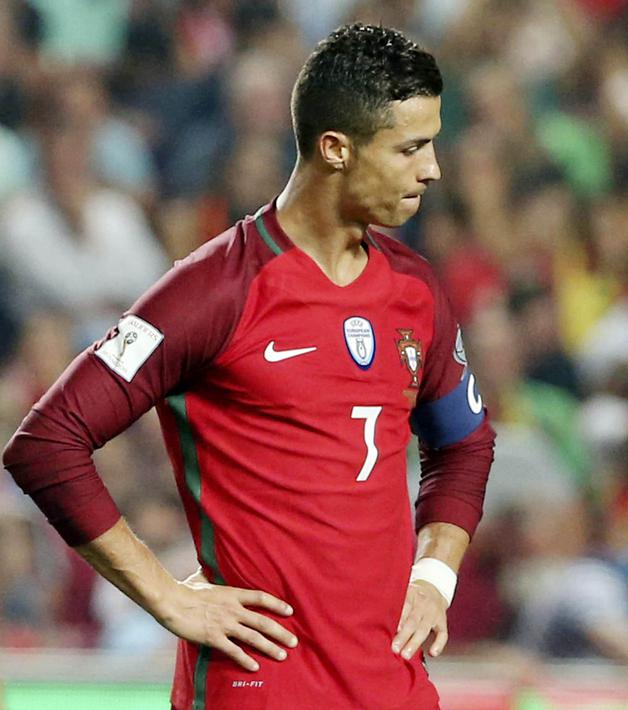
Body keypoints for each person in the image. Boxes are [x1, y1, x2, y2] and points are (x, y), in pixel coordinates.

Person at [3, 24, 495, 710]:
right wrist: (166, 596)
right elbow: (47, 443)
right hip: (261, 687)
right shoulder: (214, 290)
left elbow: (465, 443)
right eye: (410, 148)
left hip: (393, 687)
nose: (432, 169)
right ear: (335, 149)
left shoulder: (414, 289)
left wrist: (434, 578)